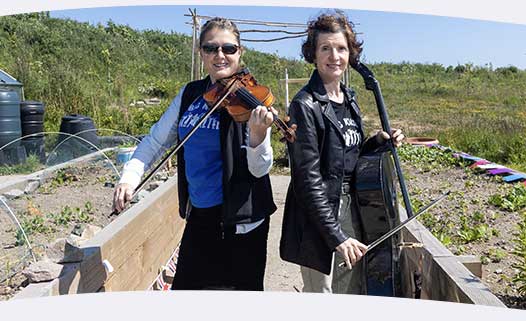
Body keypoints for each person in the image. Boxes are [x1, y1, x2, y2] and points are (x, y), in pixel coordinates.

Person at [112, 17, 278, 291]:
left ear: (240, 52)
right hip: (200, 216)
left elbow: (259, 170)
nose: (220, 55)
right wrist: (130, 177)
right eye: (211, 48)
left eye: (229, 48)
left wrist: (259, 138)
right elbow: (156, 140)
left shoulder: (252, 100)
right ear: (201, 52)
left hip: (242, 223)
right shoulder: (191, 94)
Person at [279, 11, 404, 294]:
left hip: (351, 208)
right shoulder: (304, 105)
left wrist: (379, 142)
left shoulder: (349, 99)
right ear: (313, 54)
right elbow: (306, 180)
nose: (334, 56)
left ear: (350, 54)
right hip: (320, 217)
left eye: (341, 48)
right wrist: (336, 236)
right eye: (325, 48)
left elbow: (351, 154)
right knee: (324, 296)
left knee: (349, 291)